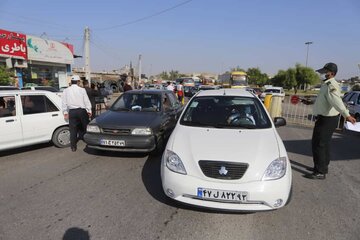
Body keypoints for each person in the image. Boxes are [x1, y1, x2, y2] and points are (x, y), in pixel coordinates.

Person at [304, 62, 356, 180]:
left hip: (328, 119)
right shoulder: (326, 84)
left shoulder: (331, 85)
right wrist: (310, 101)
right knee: (323, 144)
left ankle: (320, 172)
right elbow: (323, 100)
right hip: (324, 118)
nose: (323, 74)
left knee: (320, 144)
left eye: (325, 71)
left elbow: (336, 101)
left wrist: (346, 115)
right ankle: (320, 167)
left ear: (331, 73)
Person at [62, 75, 92, 152]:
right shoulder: (82, 90)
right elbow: (86, 101)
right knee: (86, 127)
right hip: (81, 111)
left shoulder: (66, 90)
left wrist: (65, 112)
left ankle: (73, 147)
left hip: (72, 112)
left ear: (71, 82)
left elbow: (64, 103)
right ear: (78, 82)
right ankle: (90, 143)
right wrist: (89, 110)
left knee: (73, 130)